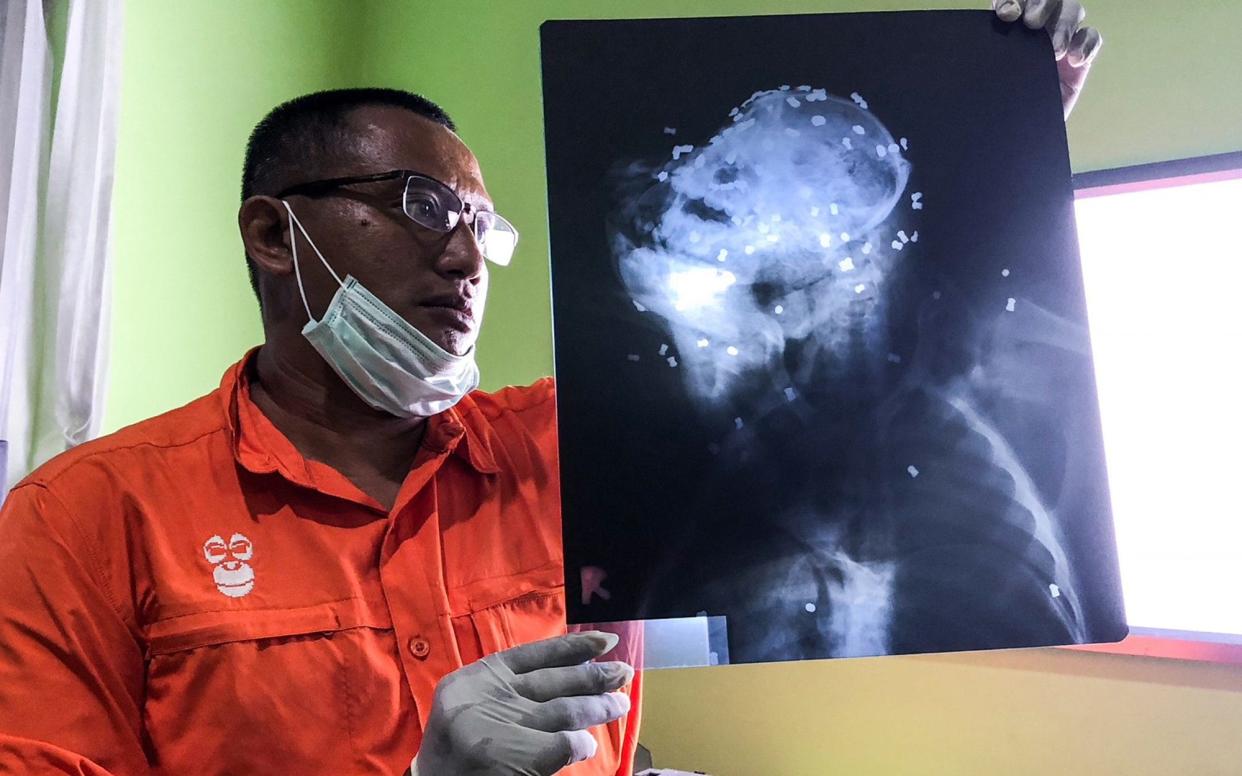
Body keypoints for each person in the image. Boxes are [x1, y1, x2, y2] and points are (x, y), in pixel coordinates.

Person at [0, 1, 1100, 773]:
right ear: (273, 234)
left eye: (483, 228)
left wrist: (996, 133)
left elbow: (841, 427)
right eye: (423, 206)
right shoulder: (84, 518)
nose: (467, 259)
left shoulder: (573, 452)